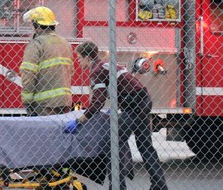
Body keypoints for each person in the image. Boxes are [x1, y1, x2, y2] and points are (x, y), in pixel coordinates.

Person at [65, 41, 168, 190]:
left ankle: (118, 186)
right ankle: (159, 185)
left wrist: (80, 120)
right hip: (142, 102)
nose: (79, 61)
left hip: (132, 107)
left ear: (87, 57)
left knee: (111, 144)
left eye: (79, 58)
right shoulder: (106, 65)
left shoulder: (97, 70)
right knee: (145, 147)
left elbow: (98, 101)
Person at [20, 6, 73, 116]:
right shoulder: (65, 43)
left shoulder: (37, 44)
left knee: (44, 133)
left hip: (44, 104)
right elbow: (70, 71)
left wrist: (27, 100)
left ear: (37, 26)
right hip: (65, 101)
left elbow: (28, 73)